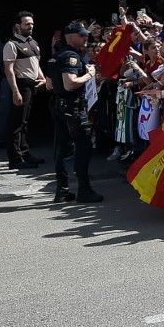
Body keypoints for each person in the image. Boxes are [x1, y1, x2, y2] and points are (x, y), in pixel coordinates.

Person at [49, 20, 103, 203]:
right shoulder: (70, 56)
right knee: (83, 147)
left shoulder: (57, 55)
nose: (85, 37)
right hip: (73, 107)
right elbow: (70, 83)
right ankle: (84, 191)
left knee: (63, 149)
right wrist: (89, 75)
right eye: (81, 35)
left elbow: (49, 84)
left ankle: (62, 190)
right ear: (70, 37)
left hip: (60, 105)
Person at [0, 11, 45, 170]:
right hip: (21, 85)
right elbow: (9, 70)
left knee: (24, 122)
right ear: (17, 26)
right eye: (27, 24)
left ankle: (25, 154)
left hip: (33, 85)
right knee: (16, 123)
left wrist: (43, 78)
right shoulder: (11, 45)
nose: (30, 26)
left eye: (32, 24)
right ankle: (15, 159)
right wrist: (16, 91)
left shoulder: (33, 43)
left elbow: (36, 64)